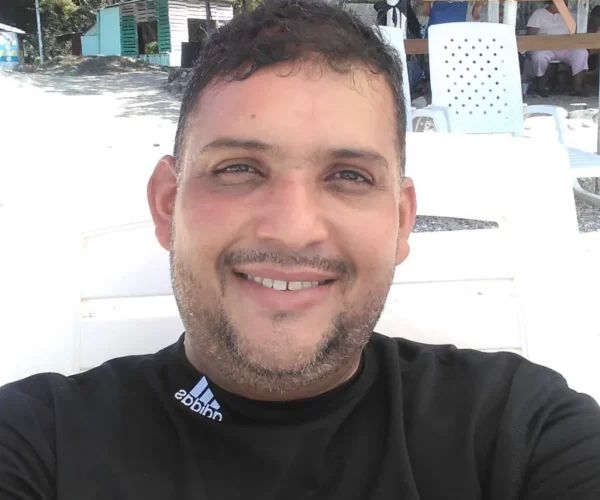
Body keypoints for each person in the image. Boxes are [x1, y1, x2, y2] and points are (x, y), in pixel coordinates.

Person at [1, 0, 600, 498]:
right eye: (239, 168)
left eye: (349, 176)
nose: (292, 229)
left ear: (400, 223)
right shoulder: (38, 442)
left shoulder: (519, 428)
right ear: (167, 205)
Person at [527, 0, 589, 96]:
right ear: (552, 2)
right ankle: (541, 87)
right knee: (539, 56)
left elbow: (577, 34)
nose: (565, 4)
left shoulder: (571, 15)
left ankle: (577, 89)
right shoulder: (539, 14)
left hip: (567, 48)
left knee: (582, 53)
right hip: (545, 48)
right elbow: (530, 35)